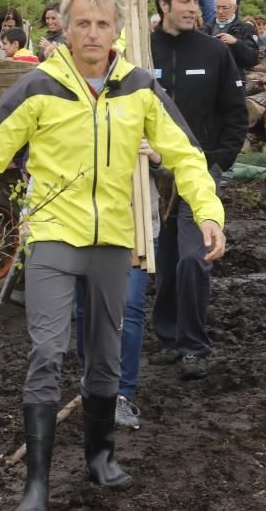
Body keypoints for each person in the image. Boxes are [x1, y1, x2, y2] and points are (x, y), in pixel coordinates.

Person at [0, 0, 226, 509]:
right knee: (48, 351)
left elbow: (186, 153)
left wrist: (209, 212)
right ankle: (37, 481)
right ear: (65, 28)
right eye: (83, 23)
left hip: (113, 243)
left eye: (103, 23)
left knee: (104, 355)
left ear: (118, 30)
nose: (93, 33)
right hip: (54, 237)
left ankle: (100, 458)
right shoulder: (39, 87)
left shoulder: (138, 87)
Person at [148, 0, 248, 381]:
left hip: (199, 173)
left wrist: (218, 164)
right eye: (185, 1)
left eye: (196, 2)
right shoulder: (143, 51)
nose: (193, 9)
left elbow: (236, 113)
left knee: (194, 256)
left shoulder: (213, 53)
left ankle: (194, 345)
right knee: (166, 258)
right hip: (152, 173)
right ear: (163, 4)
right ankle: (169, 338)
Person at [75, 139, 163, 430]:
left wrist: (156, 156)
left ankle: (121, 394)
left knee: (129, 307)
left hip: (137, 226)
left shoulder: (150, 99)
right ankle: (94, 380)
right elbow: (31, 157)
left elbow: (183, 159)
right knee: (86, 308)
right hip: (83, 224)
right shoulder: (69, 97)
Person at [207, 0, 258, 73]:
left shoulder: (245, 28)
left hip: (234, 76)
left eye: (224, 8)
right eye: (217, 7)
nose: (220, 11)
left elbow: (253, 59)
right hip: (210, 75)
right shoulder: (206, 28)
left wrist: (236, 42)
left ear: (234, 8)